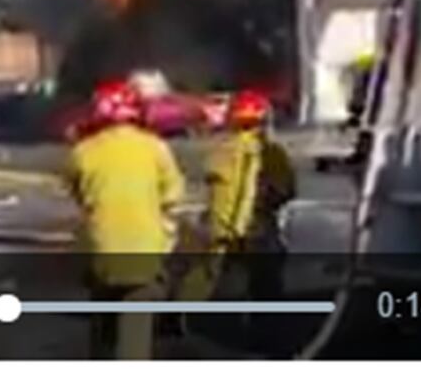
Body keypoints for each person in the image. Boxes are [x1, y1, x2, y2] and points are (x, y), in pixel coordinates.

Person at [64, 80, 185, 360]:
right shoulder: (156, 149)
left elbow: (78, 193)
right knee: (136, 328)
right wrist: (167, 241)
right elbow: (173, 199)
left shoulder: (83, 152)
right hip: (145, 253)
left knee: (102, 320)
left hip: (101, 252)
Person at [176, 90, 295, 344]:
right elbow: (286, 190)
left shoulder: (222, 151)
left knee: (207, 275)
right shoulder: (271, 153)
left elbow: (216, 191)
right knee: (266, 280)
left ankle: (178, 319)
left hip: (221, 227)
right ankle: (266, 330)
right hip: (256, 229)